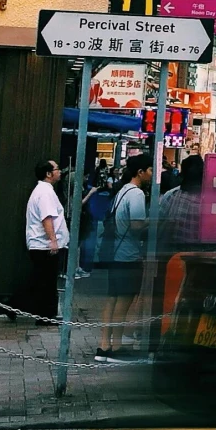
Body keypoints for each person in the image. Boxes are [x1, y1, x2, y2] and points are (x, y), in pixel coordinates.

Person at [99, 154, 151, 362]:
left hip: (114, 253)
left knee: (112, 299)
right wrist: (153, 220)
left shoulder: (122, 190)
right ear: (140, 172)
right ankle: (117, 347)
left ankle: (104, 345)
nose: (152, 174)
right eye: (150, 170)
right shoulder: (136, 194)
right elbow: (137, 225)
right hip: (128, 255)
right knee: (124, 301)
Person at [23, 159, 69, 318]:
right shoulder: (45, 192)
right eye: (57, 169)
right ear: (49, 174)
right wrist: (53, 240)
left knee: (40, 279)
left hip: (42, 244)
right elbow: (47, 218)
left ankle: (16, 304)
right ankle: (46, 315)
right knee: (47, 282)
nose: (60, 171)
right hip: (44, 245)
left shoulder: (45, 190)